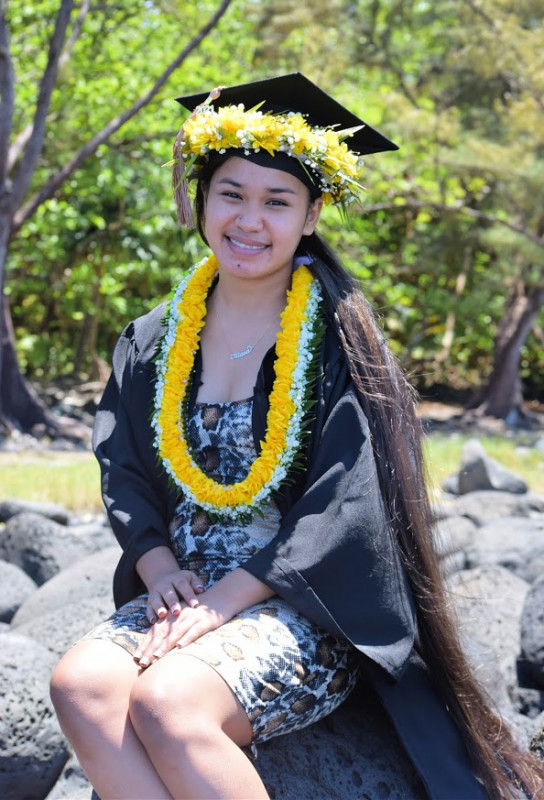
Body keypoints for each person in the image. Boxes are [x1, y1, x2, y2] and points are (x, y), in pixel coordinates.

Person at [50, 73, 543, 800]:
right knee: (79, 685)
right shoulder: (154, 337)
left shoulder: (338, 342)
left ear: (311, 214)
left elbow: (344, 506)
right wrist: (159, 570)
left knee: (169, 703)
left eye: (276, 201)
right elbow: (120, 461)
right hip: (180, 592)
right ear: (202, 201)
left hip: (302, 601)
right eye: (232, 194)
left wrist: (224, 604)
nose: (249, 220)